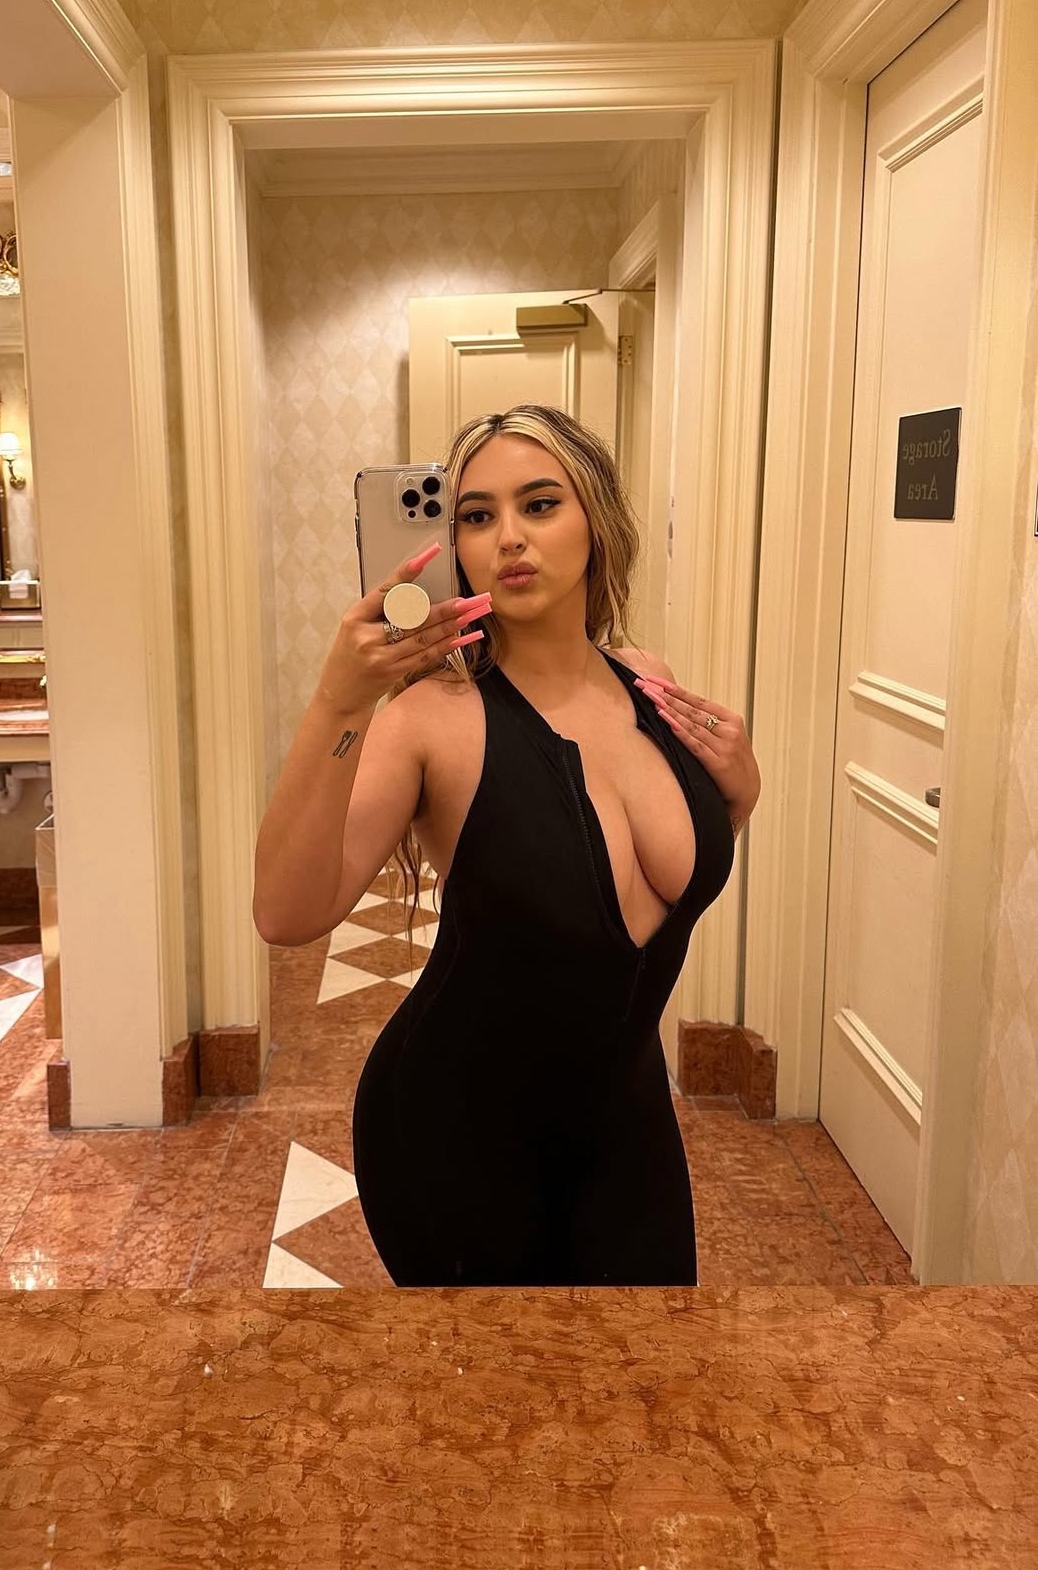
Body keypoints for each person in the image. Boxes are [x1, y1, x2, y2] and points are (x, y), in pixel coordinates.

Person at [254, 404, 761, 1286]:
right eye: (478, 516)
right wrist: (339, 702)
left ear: (596, 521)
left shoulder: (650, 681)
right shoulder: (433, 719)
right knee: (497, 1380)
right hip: (457, 1138)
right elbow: (286, 913)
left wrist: (740, 792)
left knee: (653, 1362)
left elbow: (664, 886)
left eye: (540, 504)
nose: (510, 537)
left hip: (628, 1123)